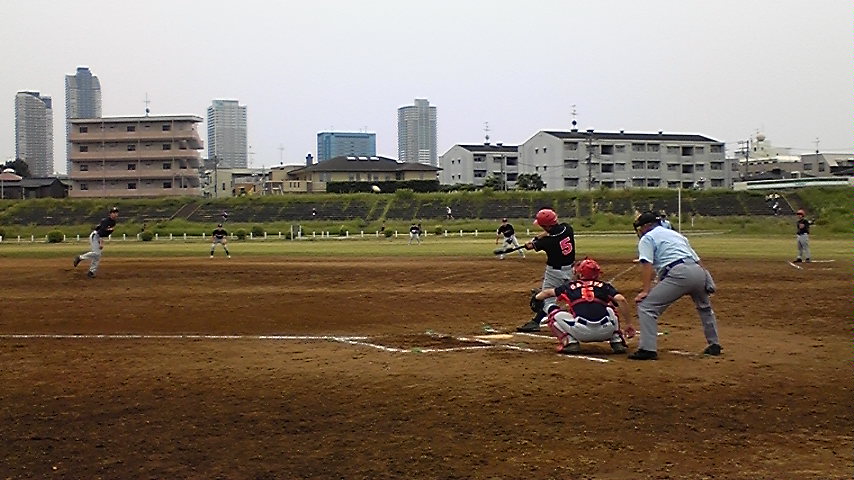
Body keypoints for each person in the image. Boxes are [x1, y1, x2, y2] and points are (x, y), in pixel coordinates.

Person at [629, 211, 721, 360]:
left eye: (641, 227)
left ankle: (647, 349)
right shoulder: (676, 235)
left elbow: (647, 265)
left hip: (678, 273)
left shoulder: (648, 237)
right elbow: (697, 260)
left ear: (647, 225)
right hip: (698, 272)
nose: (640, 230)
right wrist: (707, 279)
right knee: (705, 308)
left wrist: (645, 290)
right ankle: (714, 344)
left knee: (647, 307)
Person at [533, 258, 634, 354]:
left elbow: (547, 293)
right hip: (606, 331)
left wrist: (536, 298)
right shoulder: (604, 286)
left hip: (581, 332)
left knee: (553, 313)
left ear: (580, 274)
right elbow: (621, 299)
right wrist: (629, 324)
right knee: (610, 309)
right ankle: (617, 340)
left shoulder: (570, 286)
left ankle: (570, 342)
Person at [516, 208, 577, 332]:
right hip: (571, 270)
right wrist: (537, 238)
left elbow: (531, 246)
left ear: (547, 226)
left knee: (546, 299)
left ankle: (538, 322)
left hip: (554, 272)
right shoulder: (567, 228)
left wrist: (531, 243)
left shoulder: (547, 242)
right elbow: (551, 232)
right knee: (573, 294)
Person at [73, 206, 119, 279]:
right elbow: (100, 232)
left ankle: (91, 272)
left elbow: (105, 233)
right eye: (113, 213)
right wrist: (101, 243)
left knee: (98, 255)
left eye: (116, 213)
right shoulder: (105, 221)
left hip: (98, 236)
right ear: (110, 214)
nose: (115, 214)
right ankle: (80, 257)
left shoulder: (113, 222)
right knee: (96, 253)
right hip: (95, 236)